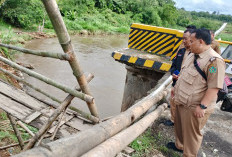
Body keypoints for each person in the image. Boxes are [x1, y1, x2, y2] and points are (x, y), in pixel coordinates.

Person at [167, 28, 225, 156]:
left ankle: (189, 154)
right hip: (182, 99)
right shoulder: (191, 54)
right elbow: (184, 73)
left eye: (191, 41)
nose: (187, 43)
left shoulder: (214, 61)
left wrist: (202, 106)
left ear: (201, 42)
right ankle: (180, 146)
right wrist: (175, 88)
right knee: (180, 128)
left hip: (195, 105)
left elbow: (214, 87)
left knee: (192, 135)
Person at [164, 29, 193, 126]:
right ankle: (173, 120)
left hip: (187, 86)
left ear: (192, 39)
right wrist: (173, 73)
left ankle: (181, 123)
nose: (183, 41)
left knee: (183, 106)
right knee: (173, 102)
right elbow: (173, 65)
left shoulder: (195, 55)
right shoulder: (181, 51)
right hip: (176, 82)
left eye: (186, 39)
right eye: (182, 39)